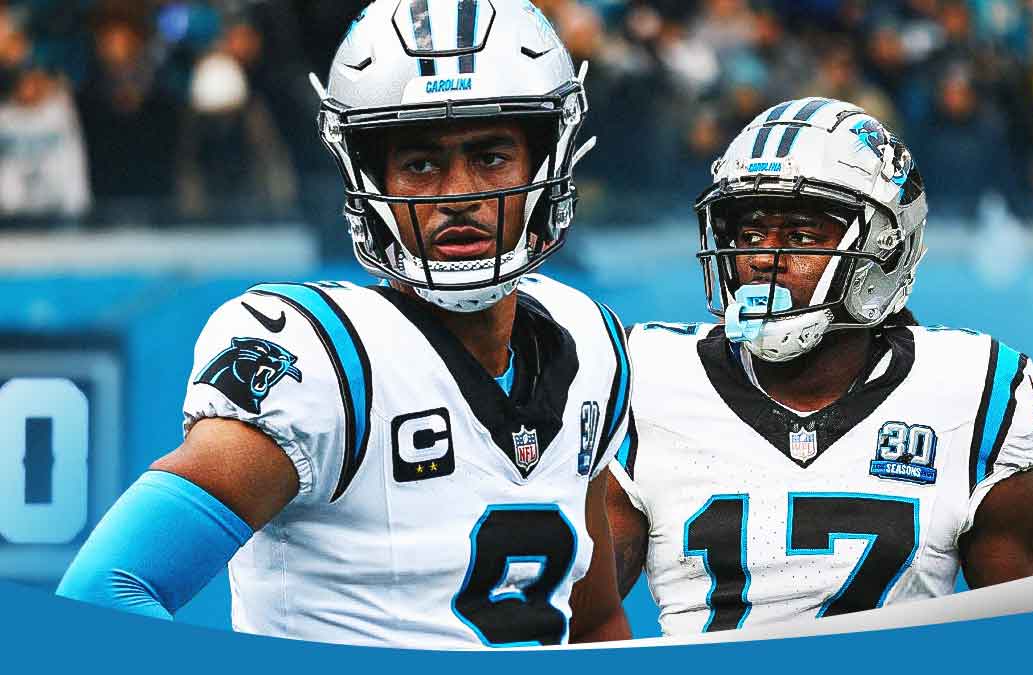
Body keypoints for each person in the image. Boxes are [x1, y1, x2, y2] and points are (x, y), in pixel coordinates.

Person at [57, 0, 631, 648]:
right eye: (420, 164)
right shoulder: (326, 364)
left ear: (545, 160)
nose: (459, 192)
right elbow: (104, 591)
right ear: (368, 174)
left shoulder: (587, 341)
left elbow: (593, 623)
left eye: (491, 155)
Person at [607, 97, 1033, 635]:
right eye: (750, 235)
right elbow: (579, 612)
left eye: (800, 236)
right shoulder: (647, 378)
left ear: (884, 253)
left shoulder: (969, 391)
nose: (761, 258)